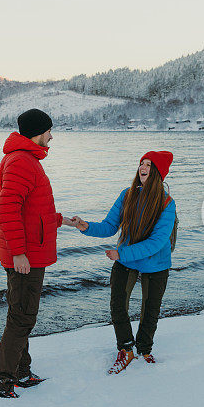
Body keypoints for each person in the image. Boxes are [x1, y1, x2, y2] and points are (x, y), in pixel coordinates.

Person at [0, 108, 77, 398]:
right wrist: (19, 253)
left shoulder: (24, 159)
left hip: (27, 252)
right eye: (49, 131)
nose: (52, 136)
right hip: (25, 256)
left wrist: (59, 219)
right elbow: (8, 210)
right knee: (22, 318)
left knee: (20, 313)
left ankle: (20, 372)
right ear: (38, 132)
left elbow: (32, 212)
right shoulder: (21, 162)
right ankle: (2, 382)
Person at [72, 151, 175, 374]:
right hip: (126, 259)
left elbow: (157, 242)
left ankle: (145, 349)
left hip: (155, 262)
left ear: (157, 172)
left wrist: (122, 254)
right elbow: (110, 225)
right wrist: (86, 226)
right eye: (141, 163)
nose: (142, 167)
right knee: (118, 303)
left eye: (148, 164)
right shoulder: (127, 195)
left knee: (150, 309)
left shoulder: (167, 203)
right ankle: (126, 349)